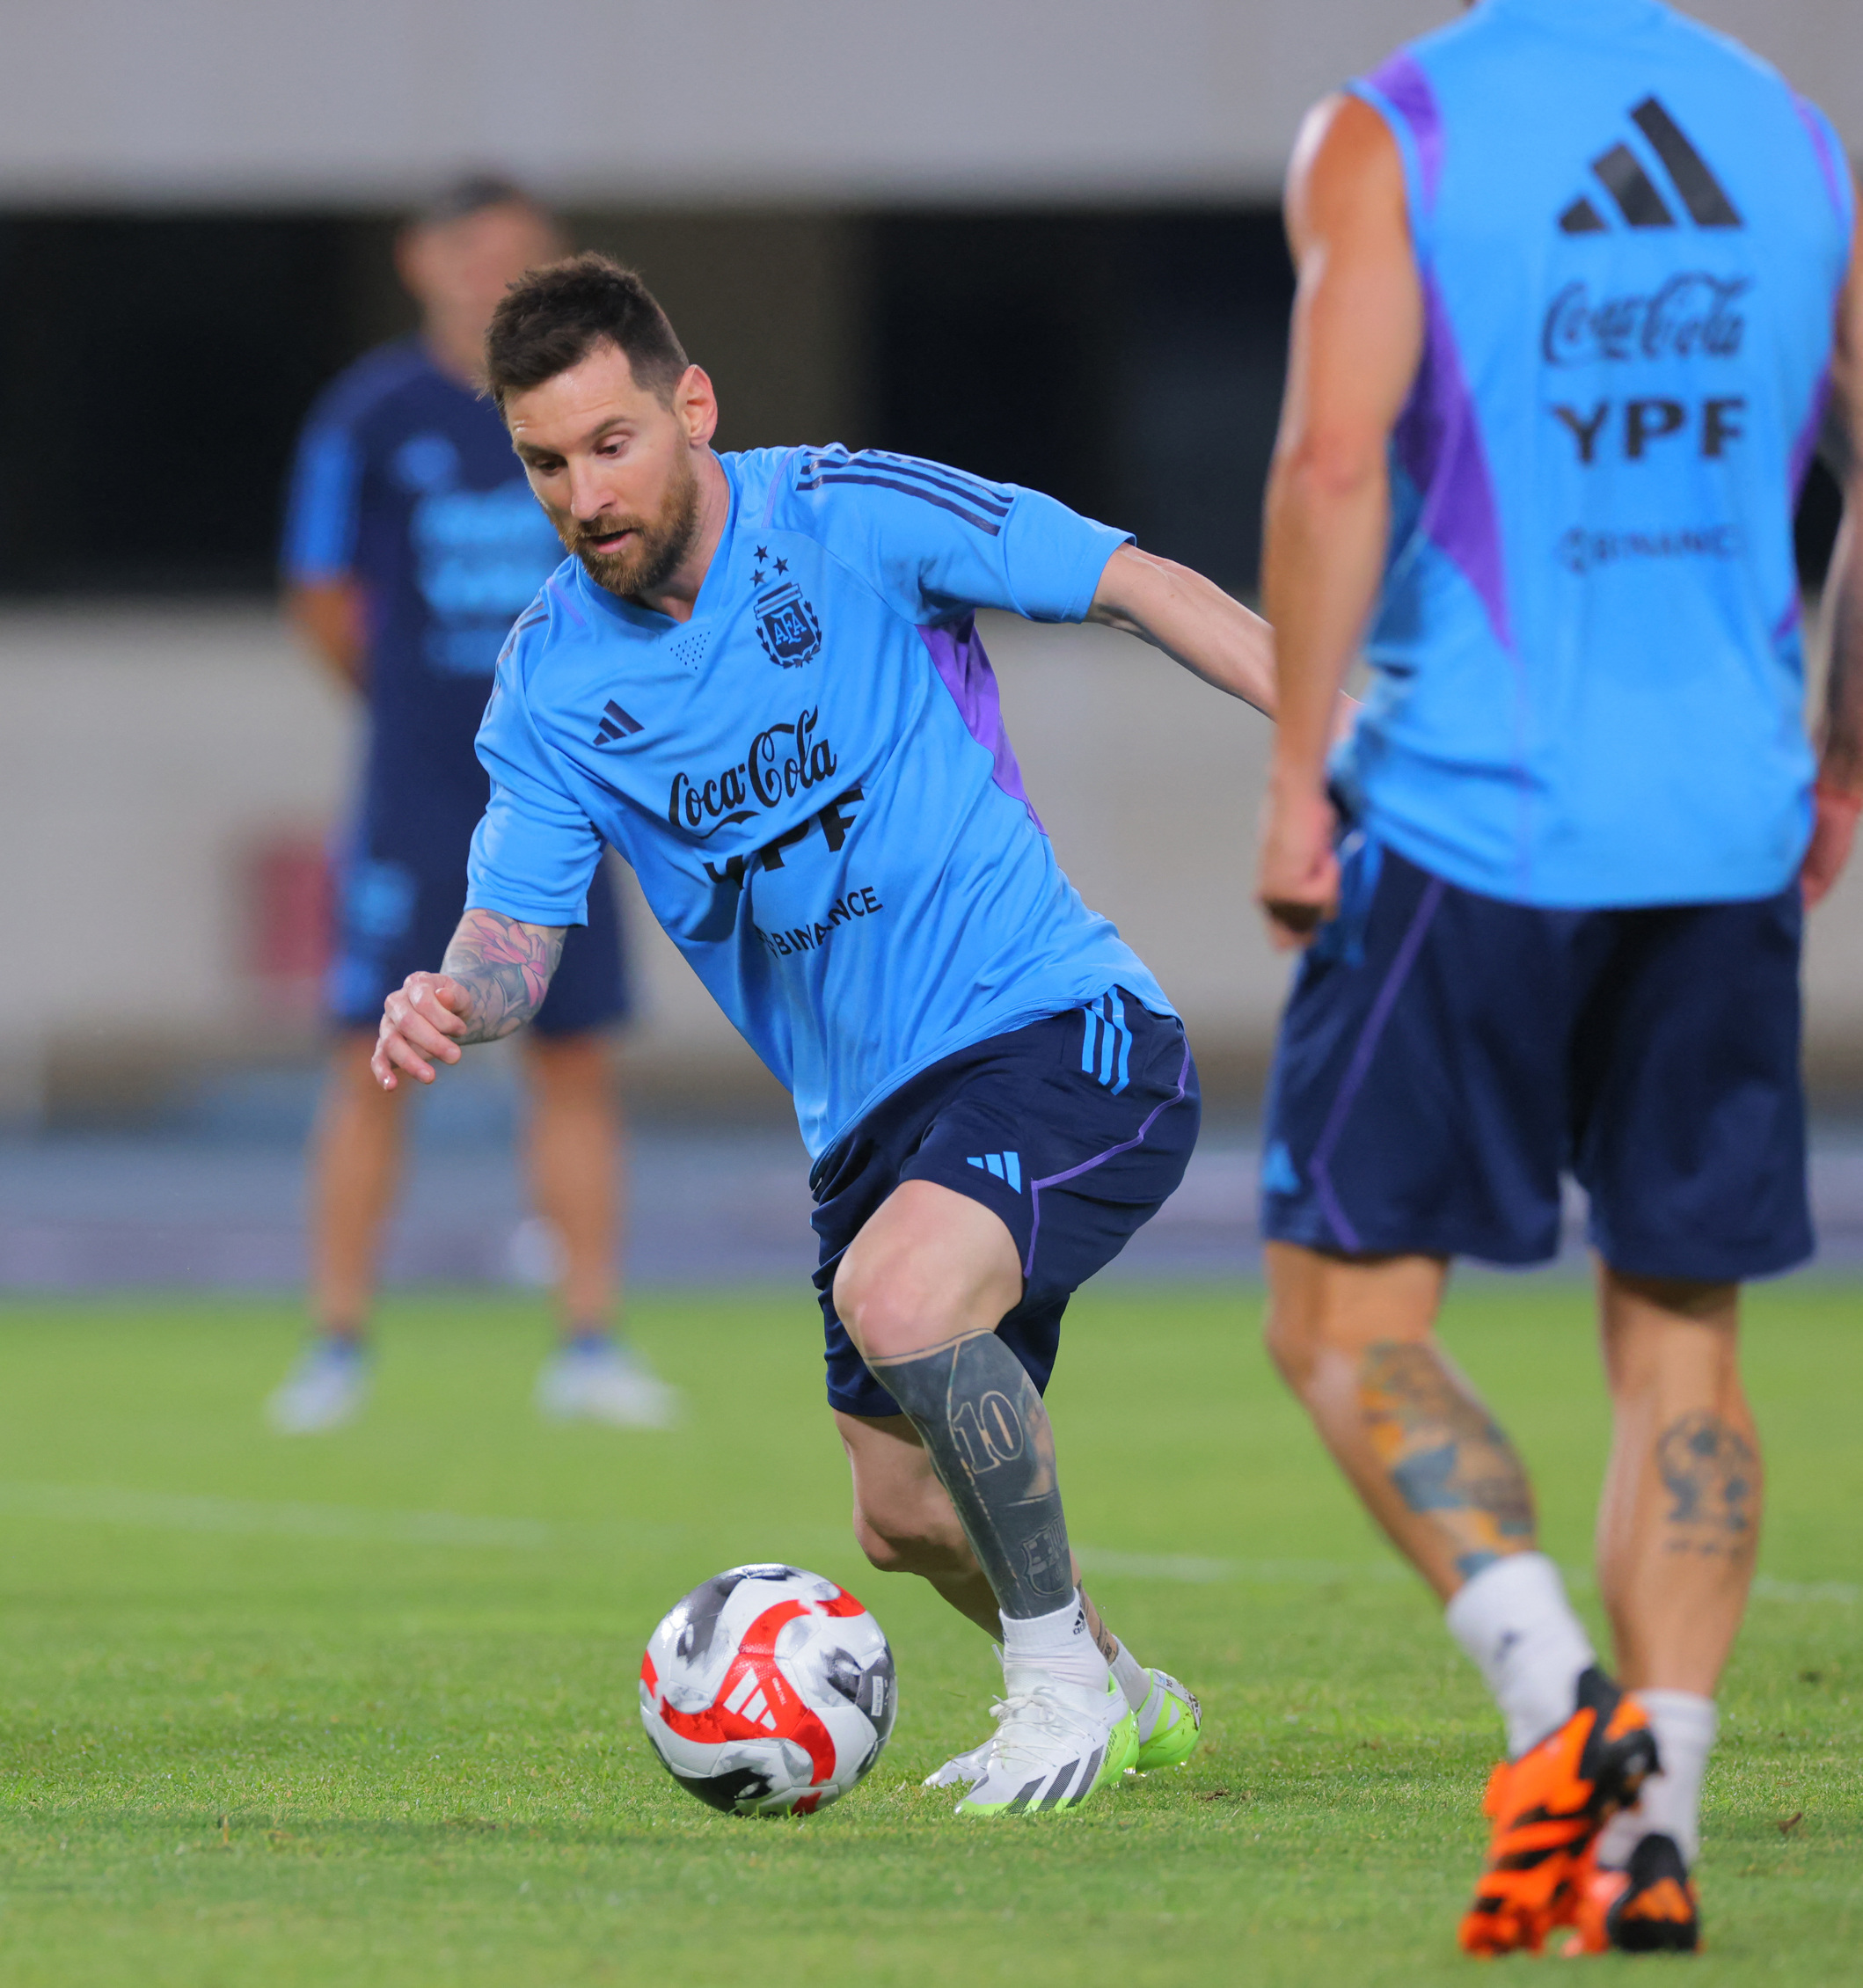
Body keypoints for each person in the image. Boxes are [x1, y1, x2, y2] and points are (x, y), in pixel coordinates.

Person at [374, 254, 1277, 1814]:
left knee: (900, 1295)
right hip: (863, 1126)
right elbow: (513, 932)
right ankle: (1124, 1693)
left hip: (1058, 1026)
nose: (583, 493)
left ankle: (1052, 1690)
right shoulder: (549, 683)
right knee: (903, 1519)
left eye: (609, 443)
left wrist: (1336, 740)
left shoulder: (844, 515)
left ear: (691, 407)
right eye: (544, 463)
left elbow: (1130, 578)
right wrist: (458, 997)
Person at [1253, 0, 1854, 1955]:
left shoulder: (1394, 133)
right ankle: (1654, 1821)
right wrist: (1838, 758)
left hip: (1473, 820)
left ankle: (1551, 1700)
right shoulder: (1788, 137)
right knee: (1680, 1339)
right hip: (1723, 829)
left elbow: (1331, 462)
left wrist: (1294, 780)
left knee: (1340, 1321)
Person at [273, 179, 670, 1434]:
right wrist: (409, 705)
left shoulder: (583, 412)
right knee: (372, 1056)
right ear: (419, 261)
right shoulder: (372, 416)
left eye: (515, 256)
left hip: (566, 788)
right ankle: (336, 1346)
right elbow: (320, 594)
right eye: (468, 253)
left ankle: (589, 1341)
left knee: (574, 1056)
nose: (487, 276)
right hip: (418, 788)